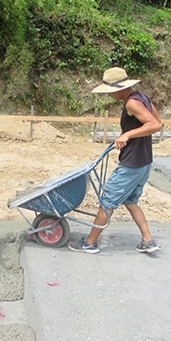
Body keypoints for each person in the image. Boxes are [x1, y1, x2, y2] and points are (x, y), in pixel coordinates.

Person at [68, 67, 161, 254]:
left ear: (118, 89)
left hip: (132, 164)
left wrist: (128, 135)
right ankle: (147, 240)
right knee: (130, 200)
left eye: (110, 91)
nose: (109, 95)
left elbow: (154, 125)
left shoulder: (132, 104)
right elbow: (156, 120)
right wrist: (127, 135)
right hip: (144, 162)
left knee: (107, 201)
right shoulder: (142, 97)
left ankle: (90, 243)